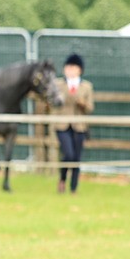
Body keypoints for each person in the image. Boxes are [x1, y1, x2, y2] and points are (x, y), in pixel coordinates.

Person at [55, 53, 95, 194]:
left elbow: (90, 107)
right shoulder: (58, 84)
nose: (70, 70)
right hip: (62, 125)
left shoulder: (86, 86)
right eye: (68, 67)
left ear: (79, 70)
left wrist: (82, 103)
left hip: (79, 126)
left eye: (73, 67)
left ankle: (73, 188)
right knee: (69, 155)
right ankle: (62, 179)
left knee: (76, 158)